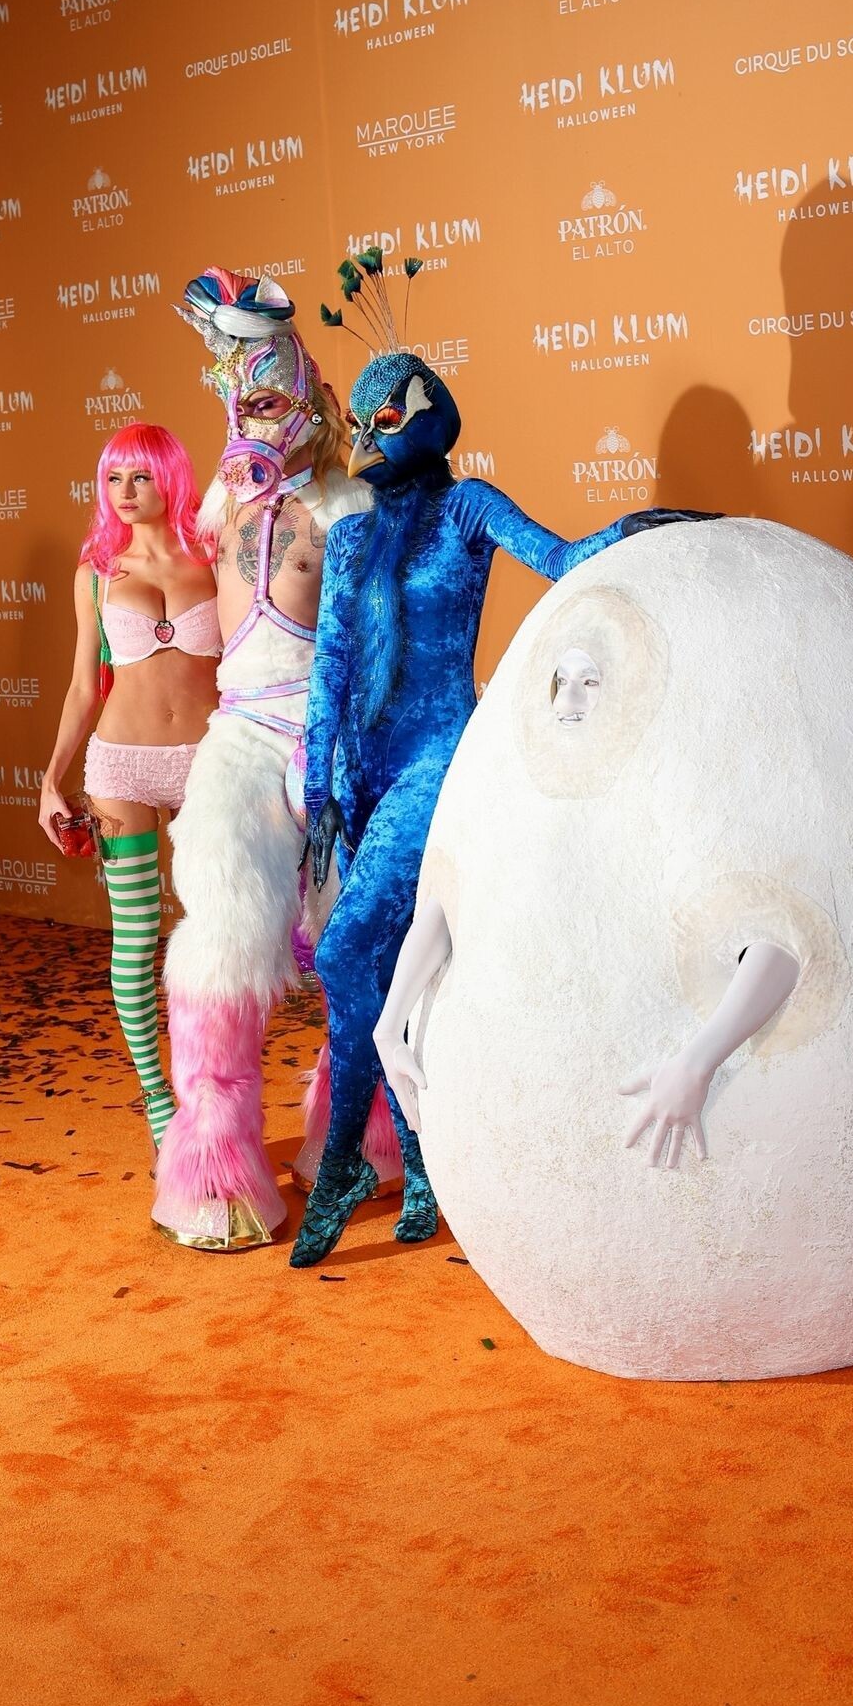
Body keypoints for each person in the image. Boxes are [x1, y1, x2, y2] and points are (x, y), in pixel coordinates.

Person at [291, 250, 714, 1266]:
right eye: (359, 424)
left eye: (386, 419)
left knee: (348, 954)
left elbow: (561, 561)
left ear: (429, 415)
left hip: (440, 760)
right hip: (361, 779)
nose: (366, 440)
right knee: (394, 964)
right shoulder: (347, 541)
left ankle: (343, 1163)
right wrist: (319, 791)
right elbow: (328, 675)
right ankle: (427, 1167)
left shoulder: (468, 507)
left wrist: (637, 530)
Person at [151, 270, 379, 1252]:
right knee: (221, 928)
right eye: (241, 400)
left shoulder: (348, 507)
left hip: (327, 735)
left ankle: (358, 1137)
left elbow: (377, 641)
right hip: (241, 731)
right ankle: (214, 1167)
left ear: (309, 398)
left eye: (271, 398)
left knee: (353, 941)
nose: (254, 417)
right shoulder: (219, 505)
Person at [39, 423, 219, 1152]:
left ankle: (212, 1088)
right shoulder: (96, 573)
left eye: (141, 476)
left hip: (210, 763)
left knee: (217, 936)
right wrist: (51, 780)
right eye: (114, 478)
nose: (125, 492)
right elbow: (84, 686)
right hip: (121, 765)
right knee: (137, 937)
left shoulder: (216, 555)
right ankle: (156, 1094)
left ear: (170, 478)